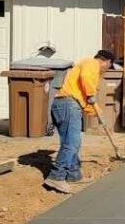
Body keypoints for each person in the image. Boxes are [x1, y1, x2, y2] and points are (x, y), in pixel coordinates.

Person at [43, 49, 116, 194]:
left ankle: (73, 174)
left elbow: (87, 100)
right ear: (107, 62)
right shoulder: (91, 63)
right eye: (109, 66)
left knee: (71, 143)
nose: (107, 70)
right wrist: (91, 93)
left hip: (66, 105)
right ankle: (56, 177)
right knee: (72, 143)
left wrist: (97, 113)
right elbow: (86, 81)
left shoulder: (89, 69)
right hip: (68, 105)